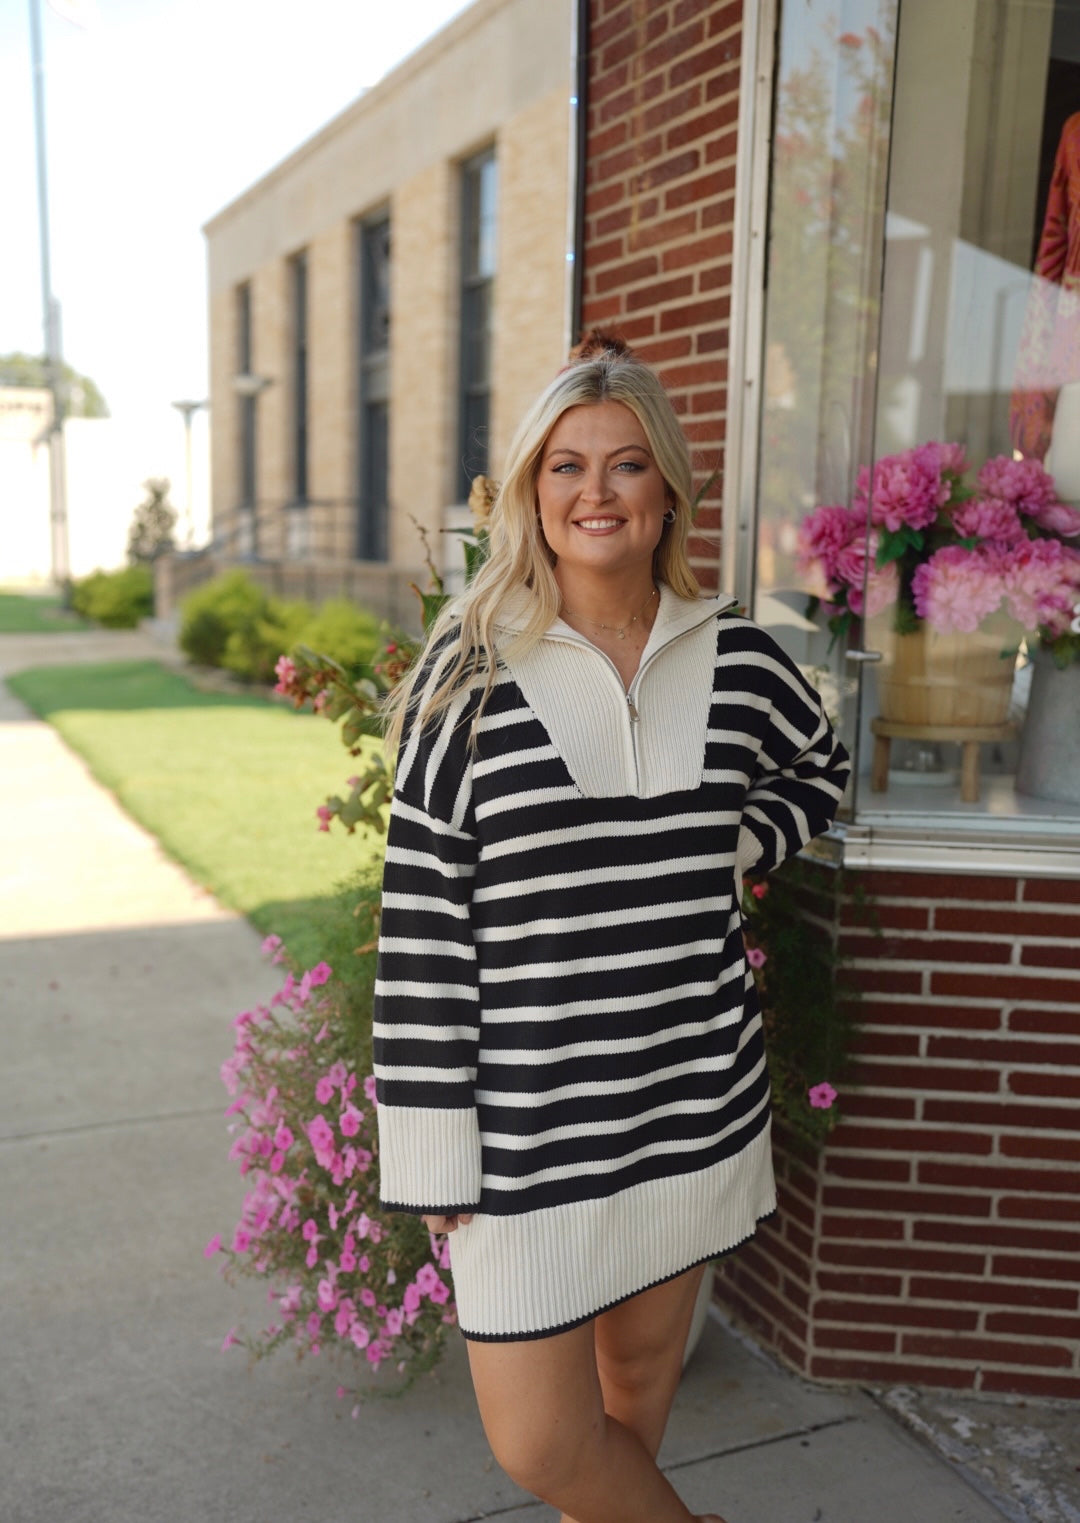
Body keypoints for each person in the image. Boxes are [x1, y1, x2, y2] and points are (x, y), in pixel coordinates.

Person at [372, 333, 851, 1523]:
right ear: (533, 492)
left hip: (688, 1095)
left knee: (634, 1386)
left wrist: (733, 844)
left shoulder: (735, 655)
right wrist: (436, 1148)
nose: (596, 492)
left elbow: (822, 766)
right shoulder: (466, 680)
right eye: (567, 465)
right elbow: (424, 930)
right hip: (529, 1136)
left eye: (627, 465)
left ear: (667, 491)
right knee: (541, 1439)